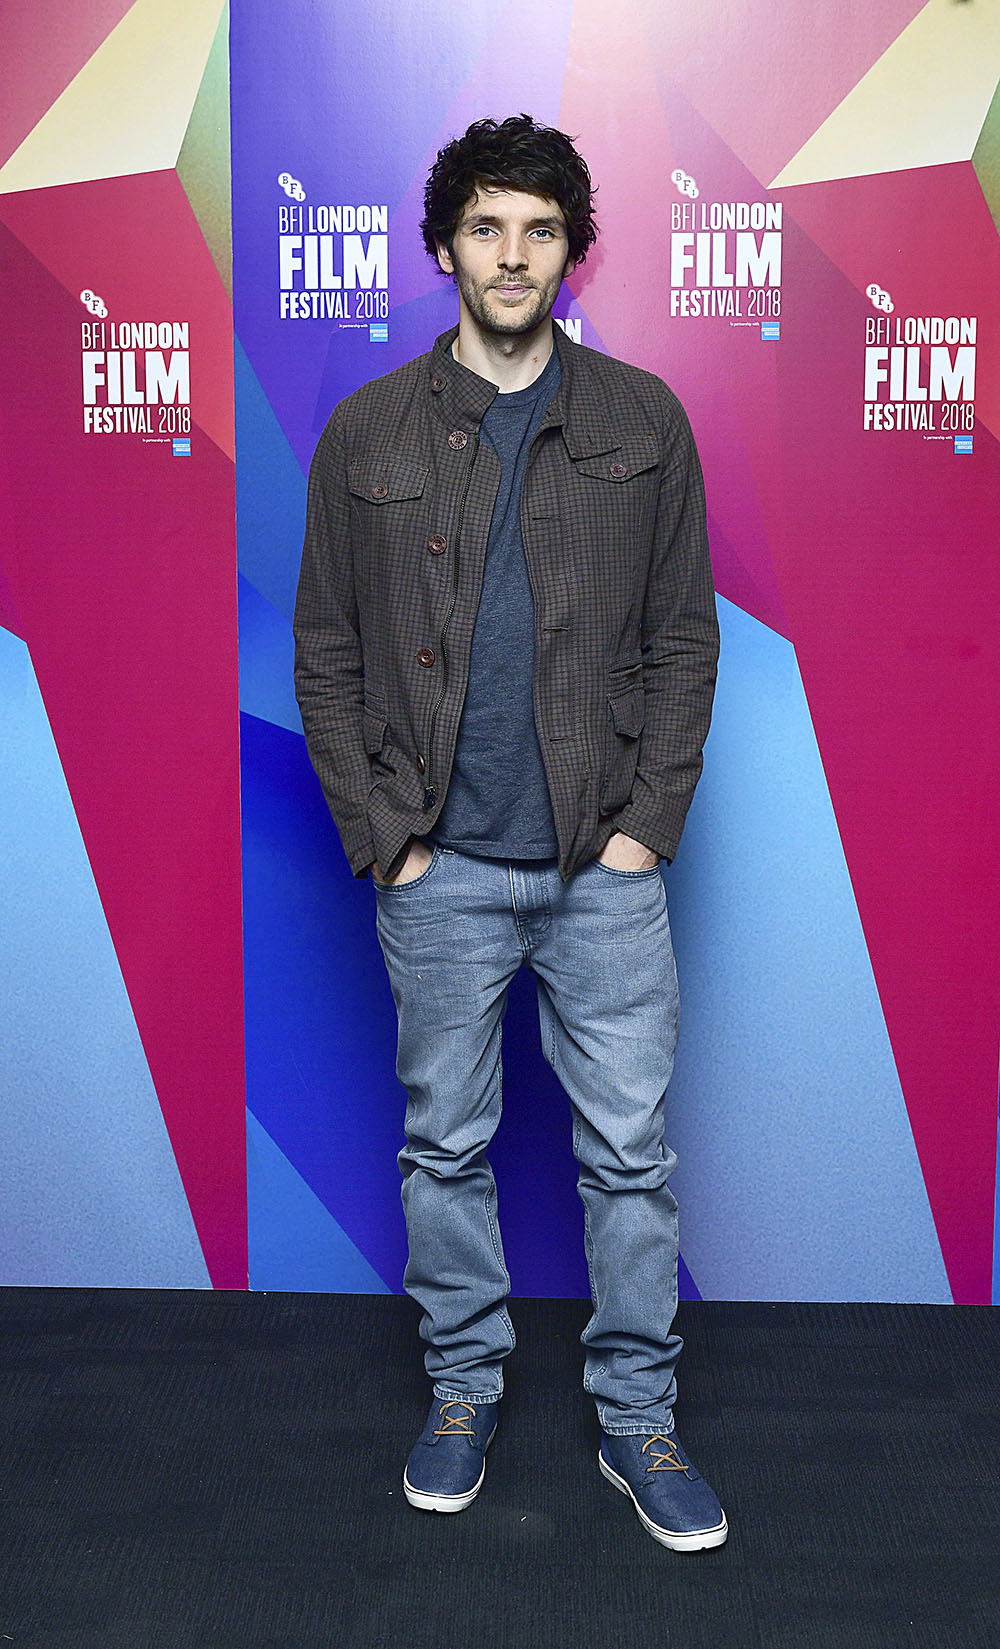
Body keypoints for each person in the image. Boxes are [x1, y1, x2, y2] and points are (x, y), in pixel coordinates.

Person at [293, 114, 725, 1551]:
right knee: (445, 1146)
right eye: (488, 226)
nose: (513, 253)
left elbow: (681, 637)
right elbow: (325, 648)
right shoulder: (369, 431)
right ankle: (464, 1388)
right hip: (439, 865)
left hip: (600, 862)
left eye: (540, 228)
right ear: (443, 247)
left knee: (631, 1158)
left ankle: (639, 1418)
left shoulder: (642, 420)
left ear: (571, 248)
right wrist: (387, 836)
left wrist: (644, 829)